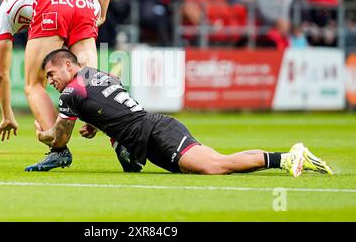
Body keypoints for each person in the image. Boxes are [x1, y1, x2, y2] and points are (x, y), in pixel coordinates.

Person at [35, 49, 334, 176]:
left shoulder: (72, 91)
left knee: (217, 165)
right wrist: (99, 124)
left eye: (51, 74)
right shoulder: (94, 74)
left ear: (68, 65)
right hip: (151, 136)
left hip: (156, 131)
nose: (50, 81)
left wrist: (44, 135)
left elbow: (61, 135)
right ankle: (287, 158)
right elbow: (116, 98)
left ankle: (289, 157)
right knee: (215, 166)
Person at [0, 0, 114, 171]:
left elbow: (0, 73)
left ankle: (59, 150)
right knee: (88, 81)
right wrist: (101, 16)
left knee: (34, 85)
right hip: (83, 3)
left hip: (50, 5)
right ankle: (119, 139)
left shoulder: (6, 6)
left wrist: (7, 115)